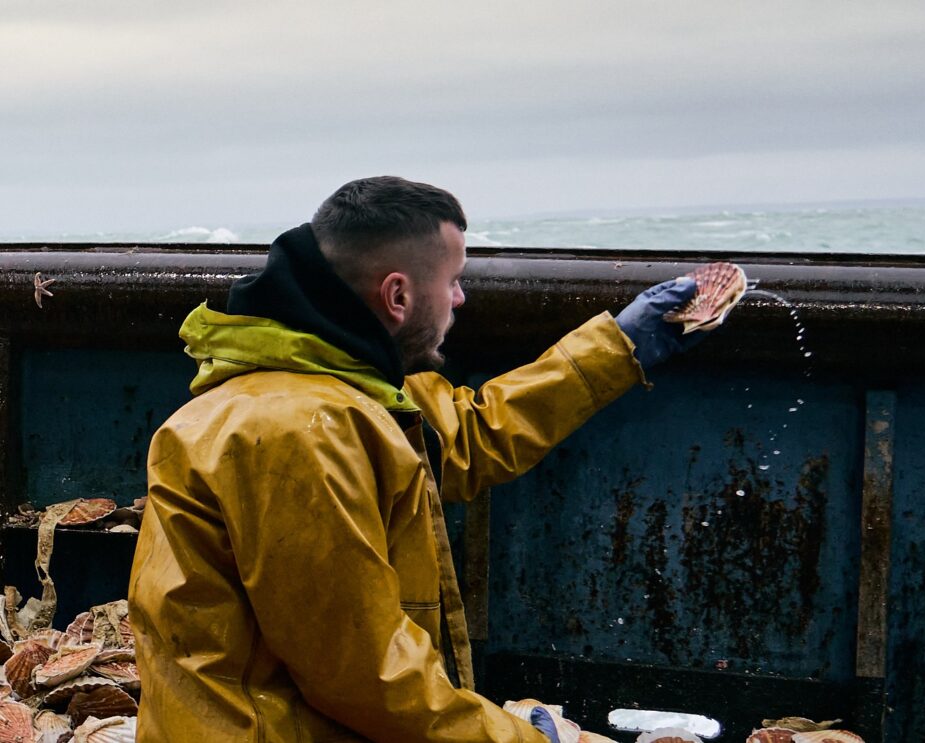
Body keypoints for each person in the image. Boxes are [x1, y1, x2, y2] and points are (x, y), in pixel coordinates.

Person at [128, 176, 710, 742]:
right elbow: (361, 674)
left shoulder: (346, 390)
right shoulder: (296, 433)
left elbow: (470, 435)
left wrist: (620, 345)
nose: (460, 298)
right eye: (453, 280)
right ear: (398, 296)